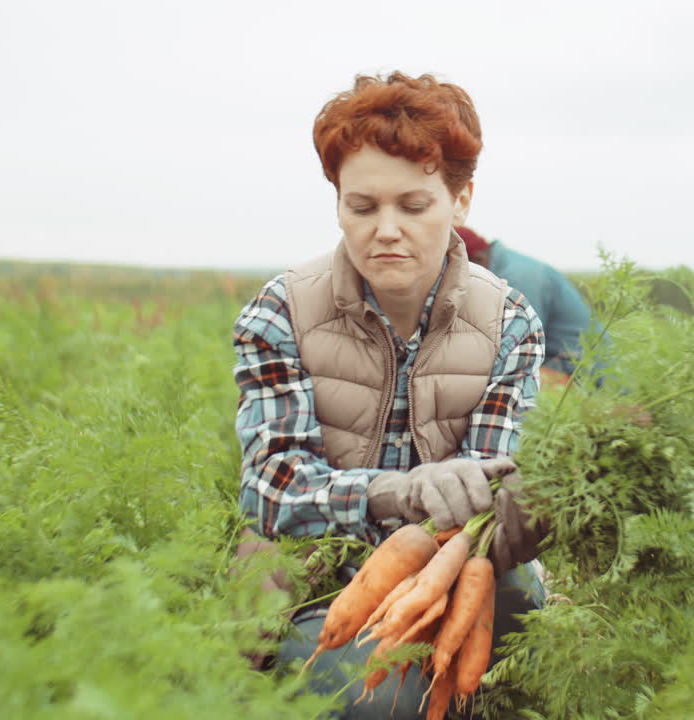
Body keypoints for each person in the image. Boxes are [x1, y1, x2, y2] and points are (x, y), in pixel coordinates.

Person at [230, 71, 548, 719]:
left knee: (521, 640)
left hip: (454, 573)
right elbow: (272, 490)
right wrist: (394, 492)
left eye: (414, 204)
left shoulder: (510, 322)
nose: (386, 229)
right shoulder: (280, 312)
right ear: (339, 203)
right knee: (384, 700)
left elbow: (492, 496)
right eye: (363, 205)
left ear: (460, 201)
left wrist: (531, 508)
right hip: (315, 576)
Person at [455, 226, 593, 378]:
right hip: (559, 365)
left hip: (587, 378)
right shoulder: (503, 267)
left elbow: (514, 354)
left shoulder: (515, 279)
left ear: (478, 260)